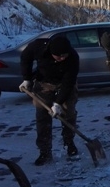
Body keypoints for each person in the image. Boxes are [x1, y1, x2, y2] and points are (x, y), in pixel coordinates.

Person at [19, 36, 80, 166]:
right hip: (43, 84)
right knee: (42, 118)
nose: (62, 58)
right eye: (59, 56)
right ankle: (45, 152)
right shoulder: (38, 47)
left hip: (64, 84)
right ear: (52, 53)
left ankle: (69, 143)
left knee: (68, 114)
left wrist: (58, 103)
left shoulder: (73, 57)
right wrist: (27, 78)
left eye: (65, 55)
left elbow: (69, 82)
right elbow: (25, 57)